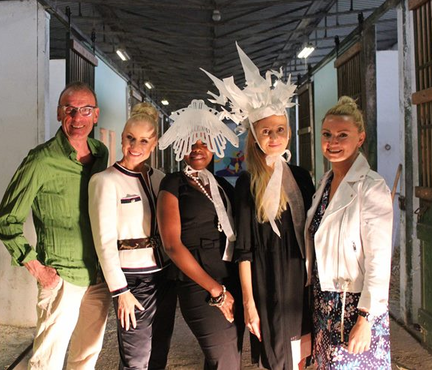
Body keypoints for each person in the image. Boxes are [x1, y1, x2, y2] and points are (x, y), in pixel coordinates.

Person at [202, 43, 314, 369]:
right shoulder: (247, 184)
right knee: (278, 359)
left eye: (280, 130)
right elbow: (245, 253)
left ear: (288, 133)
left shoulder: (301, 177)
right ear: (254, 137)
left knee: (303, 357)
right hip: (270, 286)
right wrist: (249, 304)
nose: (274, 137)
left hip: (303, 283)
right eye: (266, 131)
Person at [0, 81, 112, 369]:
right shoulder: (41, 160)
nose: (78, 118)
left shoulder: (101, 154)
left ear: (96, 115)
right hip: (62, 278)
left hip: (98, 277)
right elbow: (6, 220)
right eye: (70, 110)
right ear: (59, 114)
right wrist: (38, 269)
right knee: (47, 361)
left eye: (86, 110)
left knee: (86, 358)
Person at [306, 96, 393, 369]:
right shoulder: (325, 183)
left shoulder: (371, 186)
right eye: (327, 134)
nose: (333, 142)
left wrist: (366, 319)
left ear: (360, 138)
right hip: (324, 302)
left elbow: (379, 259)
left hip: (354, 305)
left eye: (343, 135)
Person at [156, 99, 244, 370]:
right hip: (200, 285)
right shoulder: (173, 183)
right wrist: (216, 291)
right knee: (225, 359)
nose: (197, 149)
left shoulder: (221, 184)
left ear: (214, 147)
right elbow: (172, 245)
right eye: (191, 143)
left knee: (227, 357)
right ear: (181, 146)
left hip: (230, 277)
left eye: (204, 142)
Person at [88, 102, 176, 370]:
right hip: (132, 280)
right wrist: (120, 290)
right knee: (135, 358)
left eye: (144, 140)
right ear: (122, 138)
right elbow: (103, 241)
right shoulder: (105, 181)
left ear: (154, 143)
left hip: (165, 275)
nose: (136, 146)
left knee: (159, 351)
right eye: (130, 138)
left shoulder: (161, 179)